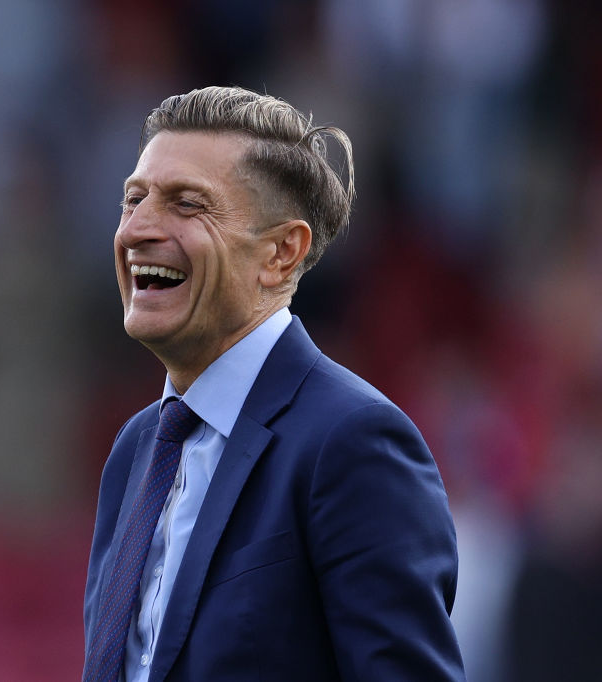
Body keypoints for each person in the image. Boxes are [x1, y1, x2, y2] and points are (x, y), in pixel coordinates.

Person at [83, 86, 465, 681]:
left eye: (187, 204)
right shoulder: (134, 449)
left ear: (282, 253)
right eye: (133, 200)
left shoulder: (354, 443)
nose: (138, 229)